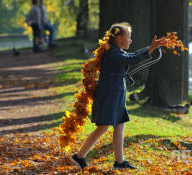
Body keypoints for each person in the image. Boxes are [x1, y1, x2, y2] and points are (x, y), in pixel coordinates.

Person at [69, 22, 167, 170]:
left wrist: (150, 47)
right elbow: (131, 59)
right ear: (119, 38)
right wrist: (151, 47)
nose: (131, 40)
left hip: (116, 93)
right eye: (129, 37)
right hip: (110, 94)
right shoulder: (113, 52)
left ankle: (119, 162)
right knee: (103, 127)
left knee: (119, 125)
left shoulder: (116, 50)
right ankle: (79, 156)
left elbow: (132, 55)